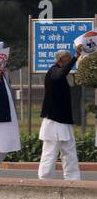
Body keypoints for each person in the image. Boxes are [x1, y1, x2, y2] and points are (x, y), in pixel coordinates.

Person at [38, 49, 80, 182]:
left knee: (69, 151)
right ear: (60, 60)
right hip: (53, 120)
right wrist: (75, 57)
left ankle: (73, 179)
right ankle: (45, 179)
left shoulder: (61, 73)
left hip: (64, 121)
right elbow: (60, 75)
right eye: (67, 60)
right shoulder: (53, 71)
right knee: (50, 152)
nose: (69, 62)